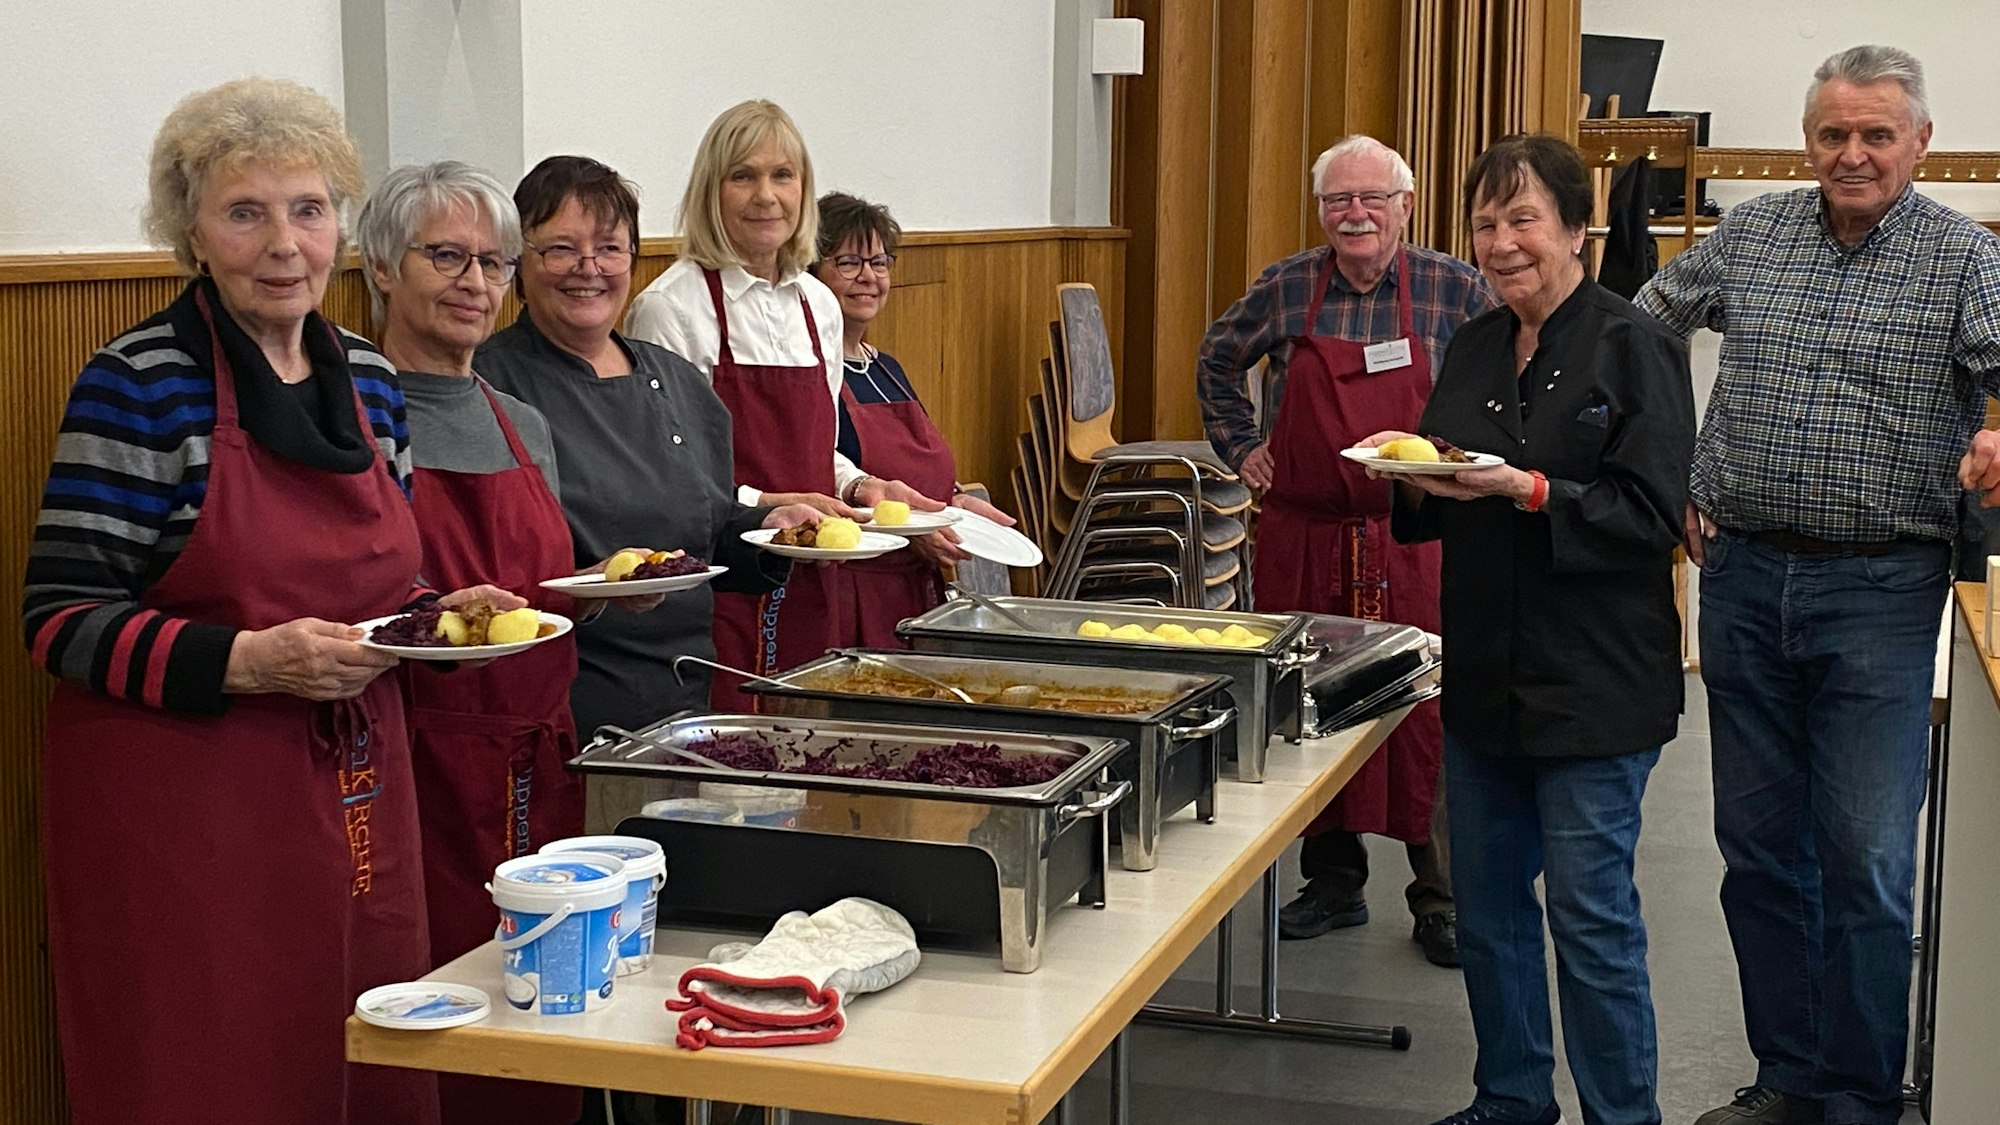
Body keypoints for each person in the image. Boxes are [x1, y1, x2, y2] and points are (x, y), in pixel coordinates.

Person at [22, 78, 512, 1125]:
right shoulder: (139, 382)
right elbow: (58, 617)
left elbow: (380, 584)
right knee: (216, 1074)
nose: (284, 244)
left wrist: (437, 613)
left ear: (341, 226)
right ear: (192, 235)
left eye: (309, 209)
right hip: (188, 815)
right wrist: (247, 662)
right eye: (245, 213)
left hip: (359, 795)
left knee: (371, 1054)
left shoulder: (372, 379)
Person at [1636, 45, 2000, 1125]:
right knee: (1757, 853)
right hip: (1741, 576)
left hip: (1881, 589)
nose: (1852, 154)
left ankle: (1859, 1096)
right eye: (1833, 134)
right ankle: (1787, 1078)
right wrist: (1670, 471)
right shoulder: (1750, 235)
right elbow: (1637, 332)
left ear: (1919, 142)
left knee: (1866, 857)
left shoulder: (1963, 258)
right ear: (1807, 140)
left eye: (1875, 134)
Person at [1376, 133, 1695, 1125]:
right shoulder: (1475, 342)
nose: (1502, 242)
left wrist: (1531, 490)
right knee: (1489, 911)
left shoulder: (1635, 345)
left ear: (1575, 229)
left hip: (1595, 685)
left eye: (1523, 219)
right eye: (1484, 223)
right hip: (1483, 672)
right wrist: (1416, 479)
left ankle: (1621, 1116)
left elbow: (1652, 516)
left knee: (1591, 921)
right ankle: (1510, 1097)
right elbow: (1442, 470)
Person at [357, 160, 673, 1125]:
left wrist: (607, 591)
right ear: (381, 267)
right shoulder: (358, 411)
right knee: (443, 1018)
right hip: (420, 768)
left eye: (491, 262)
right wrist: (431, 610)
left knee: (548, 1014)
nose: (475, 283)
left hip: (542, 754)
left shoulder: (521, 419)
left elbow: (542, 590)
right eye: (446, 257)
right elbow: (351, 589)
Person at [1197, 134, 1494, 964]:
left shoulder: (1454, 288)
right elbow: (1217, 361)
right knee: (1310, 703)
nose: (1355, 214)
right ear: (1321, 210)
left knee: (1427, 706)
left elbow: (1502, 375)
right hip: (1308, 533)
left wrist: (1468, 458)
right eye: (1338, 200)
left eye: (1372, 198)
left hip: (1417, 533)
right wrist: (1242, 446)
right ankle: (1333, 880)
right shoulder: (1288, 286)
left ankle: (1441, 895)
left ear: (1406, 206)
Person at [478, 155, 814, 745]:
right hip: (564, 708)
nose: (589, 269)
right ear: (519, 264)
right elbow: (490, 574)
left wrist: (769, 528)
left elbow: (707, 531)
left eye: (610, 248)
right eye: (561, 249)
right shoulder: (490, 384)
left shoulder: (678, 381)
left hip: (687, 697)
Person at [624, 100, 941, 705]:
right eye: (742, 176)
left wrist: (860, 486)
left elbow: (818, 449)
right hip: (719, 584)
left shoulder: (818, 305)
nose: (765, 195)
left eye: (782, 175)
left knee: (807, 737)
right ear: (711, 191)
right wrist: (770, 505)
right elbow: (669, 483)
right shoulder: (671, 308)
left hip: (813, 574)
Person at [807, 191, 1019, 644]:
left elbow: (923, 473)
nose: (869, 277)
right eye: (849, 262)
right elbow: (815, 480)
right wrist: (906, 527)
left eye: (879, 262)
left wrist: (955, 503)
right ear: (811, 273)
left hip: (918, 587)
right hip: (852, 592)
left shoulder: (888, 368)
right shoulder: (809, 374)